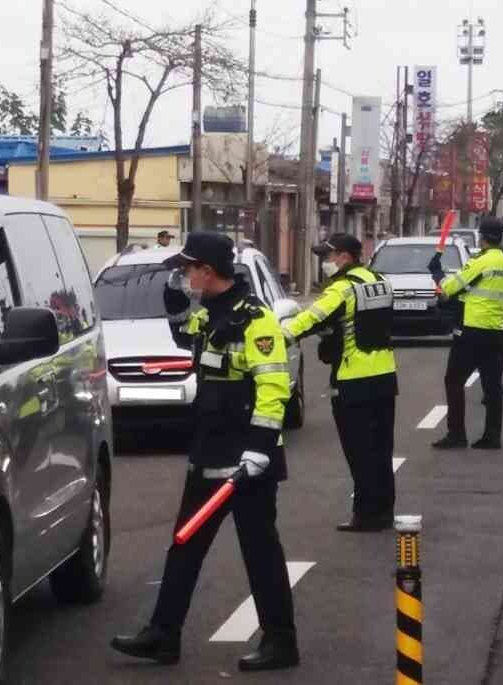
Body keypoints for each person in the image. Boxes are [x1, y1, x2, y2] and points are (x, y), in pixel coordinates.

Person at [111, 232, 299, 672]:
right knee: (184, 545)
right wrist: (173, 299)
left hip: (247, 463)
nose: (184, 274)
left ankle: (281, 642)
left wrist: (258, 450)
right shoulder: (210, 314)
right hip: (209, 453)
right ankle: (163, 635)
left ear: (207, 271)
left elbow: (274, 388)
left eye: (187, 268)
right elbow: (184, 337)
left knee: (260, 553)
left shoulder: (256, 320)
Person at [282, 233, 398, 532]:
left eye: (329, 256)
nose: (326, 262)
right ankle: (384, 510)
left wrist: (279, 333)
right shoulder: (380, 281)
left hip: (353, 378)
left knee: (359, 451)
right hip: (385, 376)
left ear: (344, 256)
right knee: (382, 448)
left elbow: (308, 320)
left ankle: (365, 514)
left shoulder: (342, 289)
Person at [428, 217, 503, 450]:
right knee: (492, 386)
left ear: (482, 236)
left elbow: (448, 289)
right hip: (497, 330)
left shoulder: (480, 261)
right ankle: (492, 436)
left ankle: (456, 434)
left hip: (472, 330)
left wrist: (437, 273)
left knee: (454, 380)